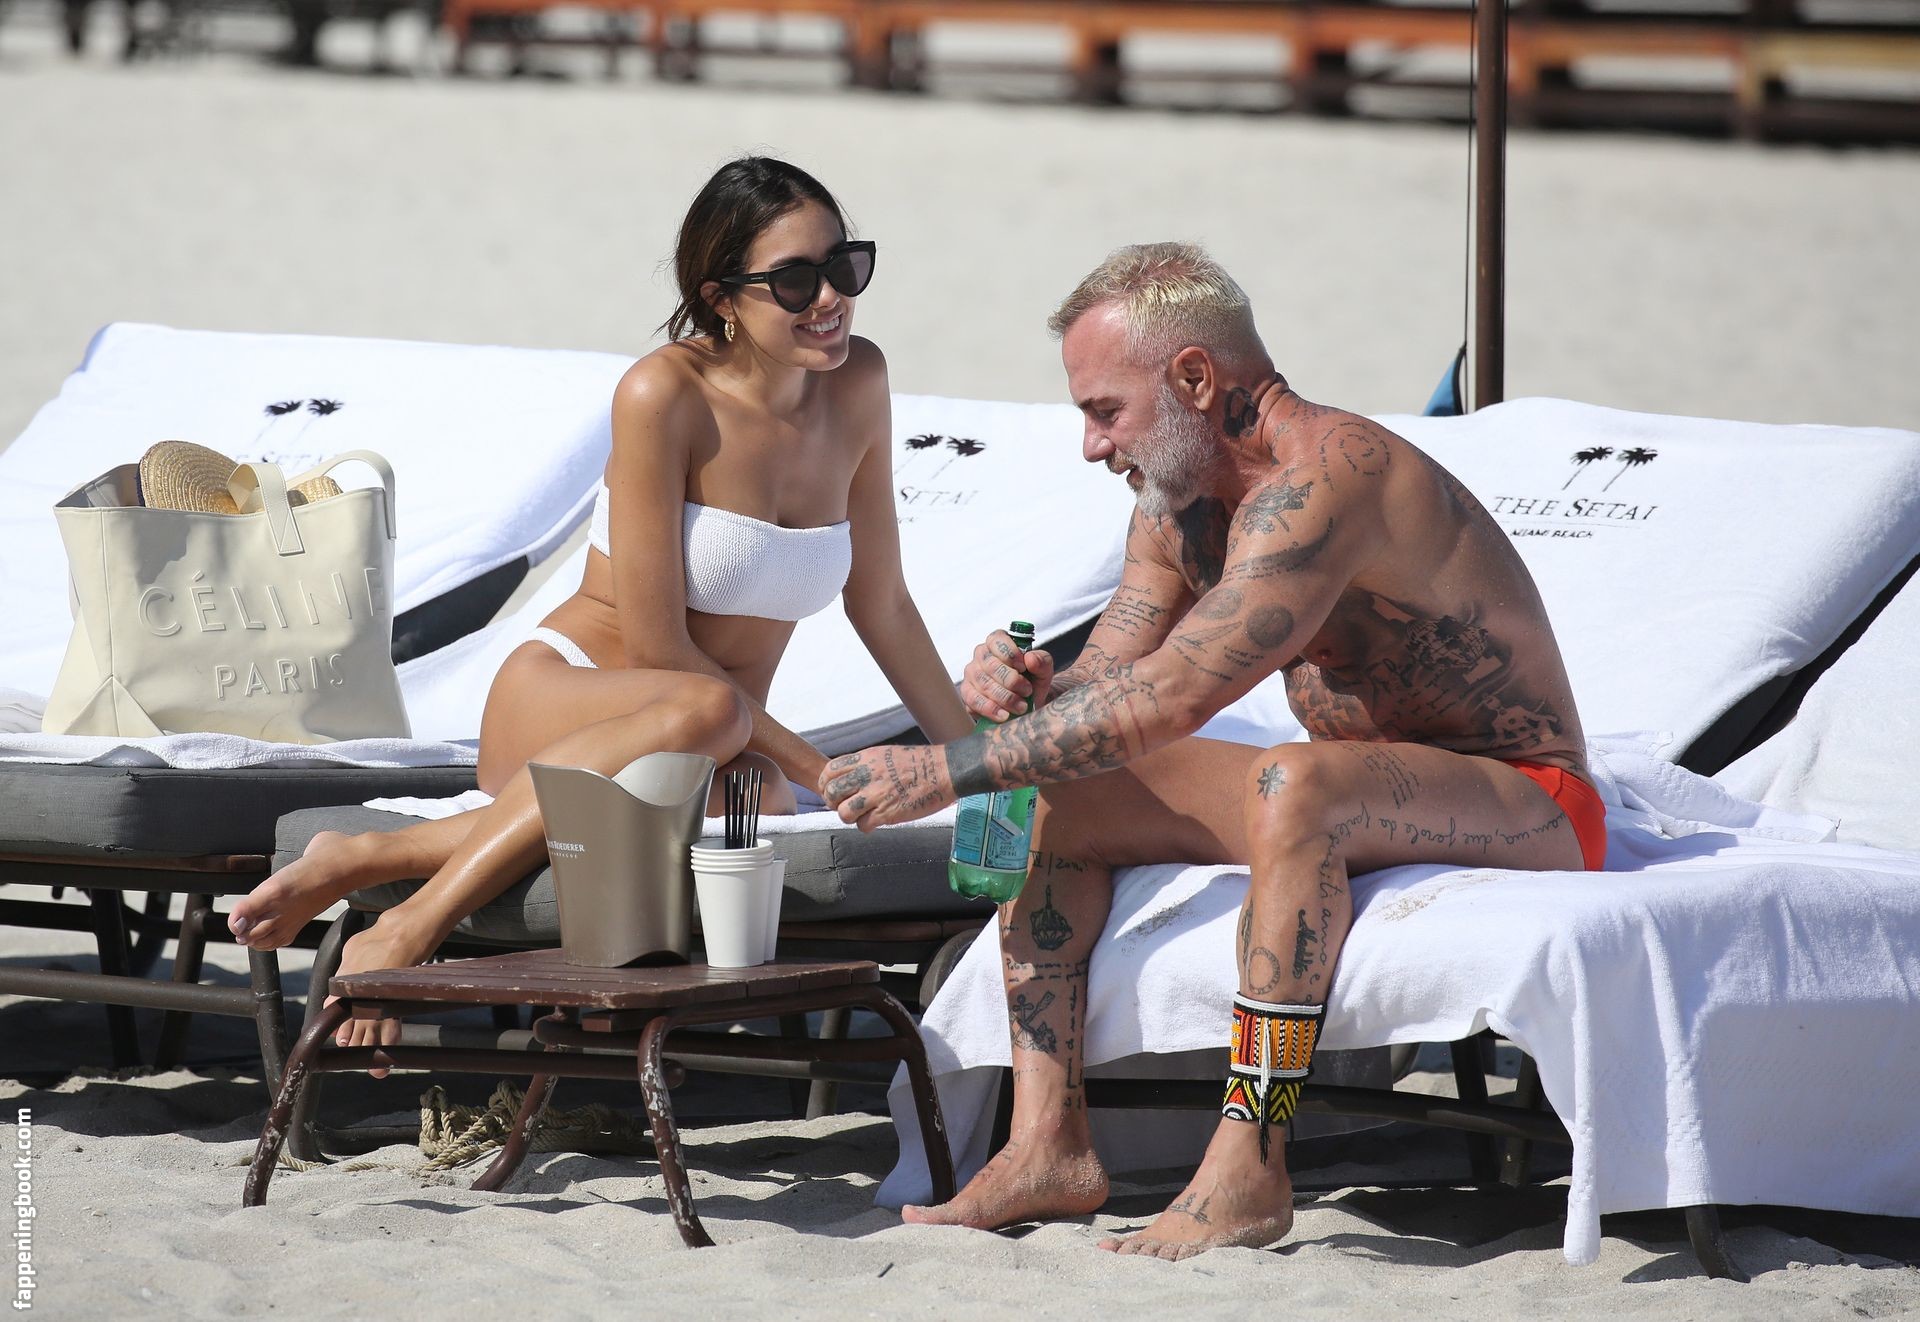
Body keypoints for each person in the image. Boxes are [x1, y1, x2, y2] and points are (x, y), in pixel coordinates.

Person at [819, 242, 1605, 1259]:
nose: (1093, 446)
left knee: (1293, 781)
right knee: (1061, 783)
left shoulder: (1333, 479)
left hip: (1531, 799)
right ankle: (1045, 1144)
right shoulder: (1173, 508)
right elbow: (1112, 684)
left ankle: (1250, 1164)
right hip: (1352, 795)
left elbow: (1182, 692)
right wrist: (1023, 695)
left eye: (1106, 410)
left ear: (1194, 377)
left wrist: (942, 770)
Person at [227, 156, 972, 1069]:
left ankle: (366, 854)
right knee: (716, 716)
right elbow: (659, 648)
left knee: (761, 793)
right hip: (575, 697)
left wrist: (977, 766)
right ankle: (410, 923)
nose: (830, 299)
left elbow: (882, 601)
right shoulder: (664, 394)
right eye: (794, 281)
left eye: (844, 267)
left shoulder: (859, 381)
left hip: (715, 744)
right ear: (721, 298)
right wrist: (831, 770)